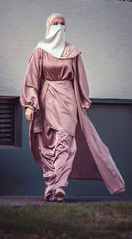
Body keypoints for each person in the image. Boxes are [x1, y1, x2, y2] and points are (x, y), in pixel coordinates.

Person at [20, 12, 125, 202]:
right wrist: (30, 104)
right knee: (48, 143)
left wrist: (83, 101)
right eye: (55, 23)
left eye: (62, 23)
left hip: (68, 101)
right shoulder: (40, 51)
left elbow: (81, 77)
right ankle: (51, 184)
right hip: (46, 102)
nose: (59, 27)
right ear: (48, 27)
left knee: (64, 140)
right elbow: (32, 80)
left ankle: (59, 186)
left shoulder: (72, 52)